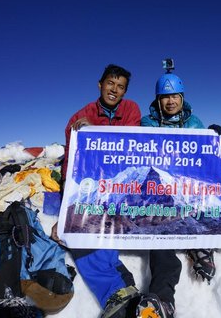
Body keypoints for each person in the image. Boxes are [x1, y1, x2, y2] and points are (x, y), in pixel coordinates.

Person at [51, 64, 142, 318]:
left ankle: (119, 285)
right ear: (100, 84)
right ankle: (117, 290)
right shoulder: (79, 117)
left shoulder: (131, 109)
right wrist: (67, 208)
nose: (114, 90)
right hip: (90, 186)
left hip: (122, 185)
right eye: (110, 84)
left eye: (120, 86)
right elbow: (71, 164)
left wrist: (97, 130)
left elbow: (131, 144)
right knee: (79, 229)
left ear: (125, 91)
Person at [136, 61, 221, 318]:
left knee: (205, 205)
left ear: (182, 97)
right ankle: (163, 299)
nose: (170, 101)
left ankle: (200, 246)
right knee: (160, 232)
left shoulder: (195, 123)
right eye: (165, 97)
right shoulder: (147, 124)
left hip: (187, 189)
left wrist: (214, 140)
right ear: (158, 100)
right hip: (158, 192)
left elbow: (205, 164)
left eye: (174, 95)